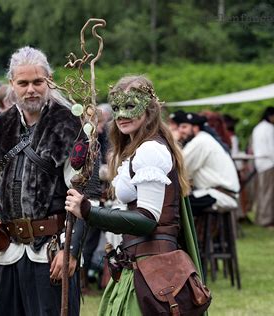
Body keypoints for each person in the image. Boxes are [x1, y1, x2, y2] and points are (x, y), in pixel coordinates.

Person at [0, 46, 83, 316]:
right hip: (8, 252)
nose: (31, 89)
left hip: (51, 253)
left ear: (49, 81)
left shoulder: (69, 126)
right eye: (24, 83)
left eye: (38, 82)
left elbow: (82, 194)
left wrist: (70, 249)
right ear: (12, 85)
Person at [66, 75, 192, 315]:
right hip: (138, 265)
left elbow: (146, 220)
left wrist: (89, 212)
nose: (121, 114)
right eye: (116, 108)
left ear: (150, 109)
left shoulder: (150, 150)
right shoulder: (137, 149)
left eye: (130, 106)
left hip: (154, 269)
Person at [177, 112, 240, 215]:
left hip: (218, 195)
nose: (180, 130)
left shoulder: (199, 142)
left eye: (184, 127)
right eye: (179, 127)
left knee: (175, 205)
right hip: (221, 193)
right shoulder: (205, 139)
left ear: (195, 128)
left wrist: (174, 140)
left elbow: (178, 169)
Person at [251, 106, 274, 227]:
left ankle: (260, 217)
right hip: (269, 163)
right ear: (272, 116)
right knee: (270, 193)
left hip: (260, 163)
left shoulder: (257, 128)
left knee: (262, 192)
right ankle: (267, 220)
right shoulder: (270, 128)